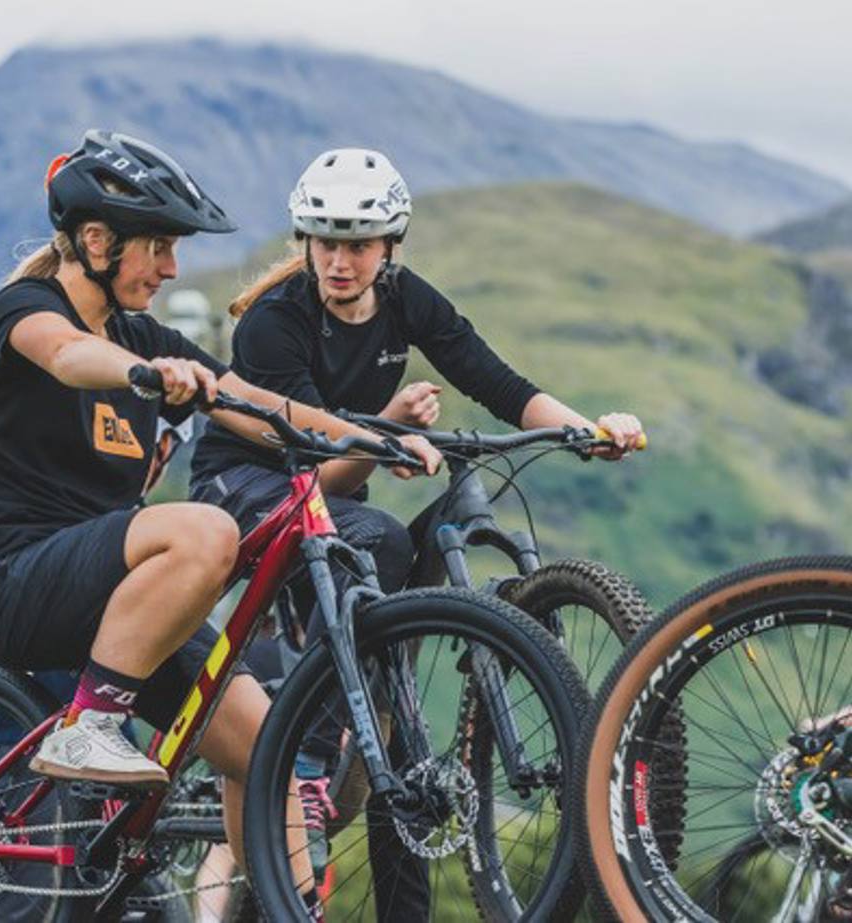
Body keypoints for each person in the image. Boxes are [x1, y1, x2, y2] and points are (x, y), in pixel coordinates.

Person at [0, 131, 439, 917]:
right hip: (18, 582)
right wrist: (142, 375)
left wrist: (368, 437)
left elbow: (258, 405)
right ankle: (90, 723)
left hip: (115, 603)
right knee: (202, 530)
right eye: (157, 246)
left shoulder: (143, 335)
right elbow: (62, 355)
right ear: (96, 241)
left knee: (270, 754)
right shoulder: (29, 309)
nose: (170, 268)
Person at [189, 146, 644, 917]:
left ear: (389, 246)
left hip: (335, 499)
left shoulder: (407, 300)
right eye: (326, 241)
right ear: (305, 242)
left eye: (358, 244)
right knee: (382, 542)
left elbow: (494, 380)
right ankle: (309, 746)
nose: (339, 260)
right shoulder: (275, 322)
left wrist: (585, 429)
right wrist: (384, 438)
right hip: (248, 487)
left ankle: (380, 699)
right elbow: (311, 447)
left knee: (403, 743)